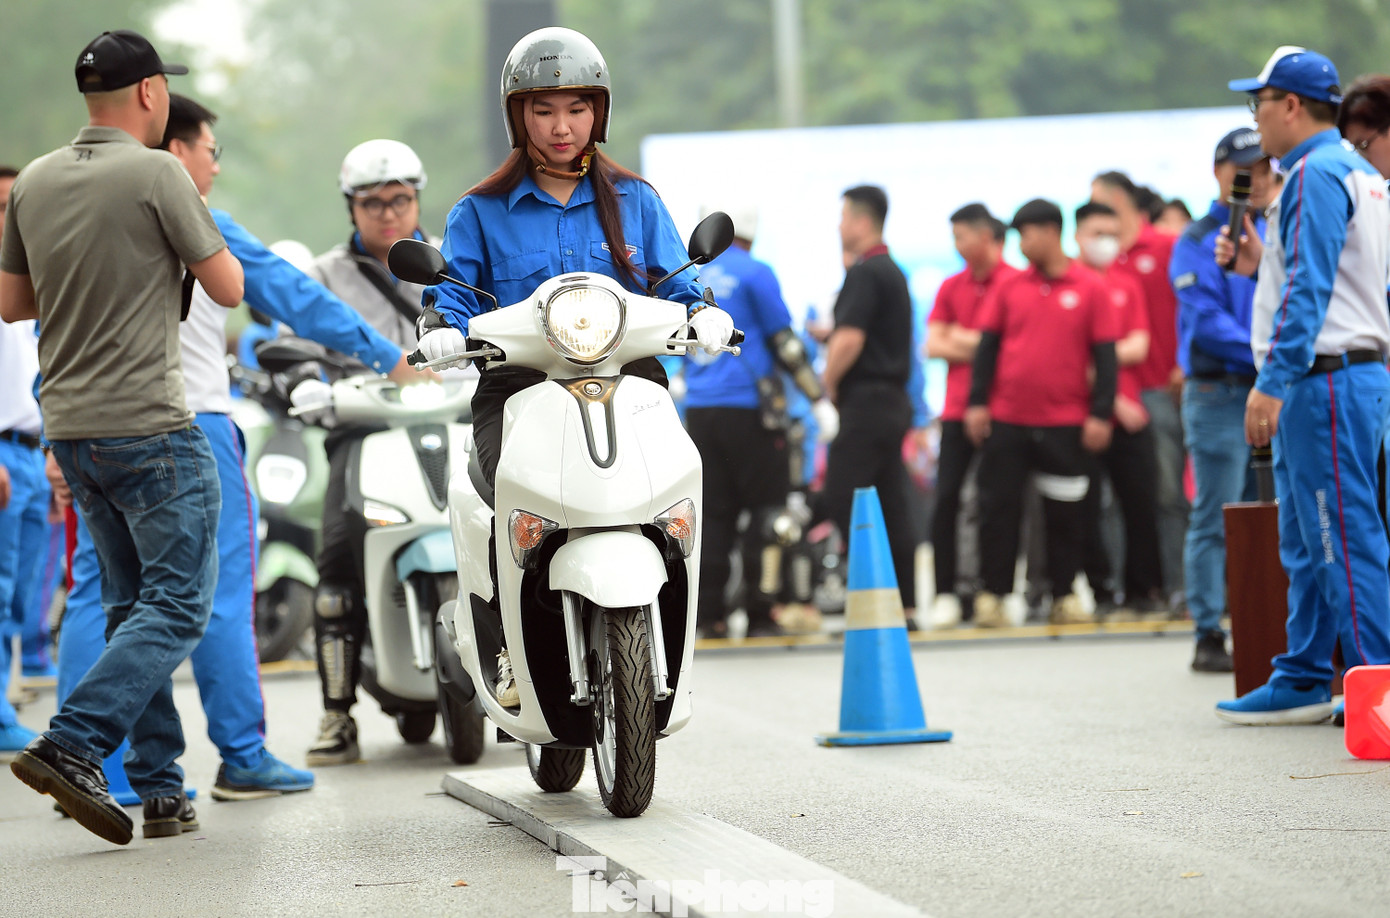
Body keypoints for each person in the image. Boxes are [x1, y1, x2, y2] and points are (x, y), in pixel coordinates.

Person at [413, 27, 733, 707]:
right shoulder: (480, 211)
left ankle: (666, 611)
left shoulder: (637, 201)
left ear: (599, 113)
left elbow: (677, 282)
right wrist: (439, 327)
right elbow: (447, 295)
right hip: (520, 387)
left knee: (673, 492)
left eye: (577, 108)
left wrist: (704, 311)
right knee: (510, 505)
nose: (562, 126)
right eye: (543, 109)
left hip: (630, 381)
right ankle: (504, 642)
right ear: (517, 116)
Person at [0, 30, 243, 845]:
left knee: (130, 606)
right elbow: (229, 286)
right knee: (177, 606)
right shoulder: (158, 173)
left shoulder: (31, 181)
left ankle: (162, 786)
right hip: (152, 426)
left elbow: (11, 303)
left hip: (70, 430)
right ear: (148, 95)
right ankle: (73, 743)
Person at [1215, 47, 1390, 724]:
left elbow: (1313, 292)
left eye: (1257, 102)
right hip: (1344, 375)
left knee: (1341, 538)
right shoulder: (1354, 170)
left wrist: (1274, 379)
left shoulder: (1316, 173)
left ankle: (1374, 685)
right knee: (1314, 536)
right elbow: (1337, 279)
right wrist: (1261, 264)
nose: (1254, 117)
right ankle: (1305, 673)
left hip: (1324, 380)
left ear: (1290, 105)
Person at [300, 137, 437, 766]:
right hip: (360, 434)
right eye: (372, 202)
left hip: (457, 424)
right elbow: (291, 345)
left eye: (399, 200)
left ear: (416, 200)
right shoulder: (322, 277)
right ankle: (336, 714)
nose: (387, 213)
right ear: (350, 207)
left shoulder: (455, 261)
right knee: (334, 564)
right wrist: (301, 379)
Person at [965, 199, 1118, 626]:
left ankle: (1064, 595)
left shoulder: (1090, 287)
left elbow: (1105, 359)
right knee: (998, 511)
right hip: (1008, 420)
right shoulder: (1008, 287)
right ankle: (993, 597)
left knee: (1066, 514)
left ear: (1051, 231)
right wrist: (977, 404)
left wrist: (1100, 415)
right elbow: (986, 350)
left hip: (1066, 423)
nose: (1020, 243)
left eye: (1026, 233)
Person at [682, 203, 831, 639]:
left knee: (712, 515)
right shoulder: (756, 273)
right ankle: (762, 610)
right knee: (767, 513)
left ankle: (709, 616)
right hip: (751, 413)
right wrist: (818, 399)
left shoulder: (691, 274)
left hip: (703, 414)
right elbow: (785, 344)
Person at [1170, 127, 1276, 673]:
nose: (1256, 180)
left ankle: (1267, 620)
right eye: (1246, 170)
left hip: (1270, 387)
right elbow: (1205, 323)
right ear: (1220, 173)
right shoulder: (1198, 237)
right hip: (1220, 391)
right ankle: (1208, 630)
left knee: (1273, 513)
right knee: (1215, 514)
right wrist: (1267, 355)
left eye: (1264, 169)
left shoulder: (1277, 228)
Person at [808, 185, 919, 623]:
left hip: (867, 402)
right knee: (892, 500)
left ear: (860, 221)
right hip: (891, 401)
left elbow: (851, 338)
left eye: (843, 217)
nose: (839, 227)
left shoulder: (866, 272)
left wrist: (828, 383)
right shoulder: (892, 270)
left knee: (843, 495)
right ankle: (904, 602)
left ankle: (869, 599)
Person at [1091, 170, 1187, 615]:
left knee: (1169, 494)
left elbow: (1194, 304)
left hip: (1163, 386)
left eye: (1098, 200)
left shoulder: (1166, 246)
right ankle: (1125, 588)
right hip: (1118, 393)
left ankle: (1179, 586)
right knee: (1119, 498)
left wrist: (1185, 363)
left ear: (1117, 199)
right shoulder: (1100, 267)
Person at [924, 204, 1018, 629]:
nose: (957, 246)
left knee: (999, 502)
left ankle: (994, 594)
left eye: (962, 237)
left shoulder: (1016, 285)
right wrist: (985, 343)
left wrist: (962, 339)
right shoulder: (950, 286)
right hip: (955, 410)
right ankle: (946, 592)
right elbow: (933, 344)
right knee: (946, 501)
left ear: (985, 236)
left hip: (1005, 410)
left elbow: (1017, 347)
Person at [1072, 201, 1164, 618]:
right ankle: (1102, 591)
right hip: (1085, 413)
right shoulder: (1070, 283)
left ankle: (1143, 590)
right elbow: (1069, 357)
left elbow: (1138, 345)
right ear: (1077, 236)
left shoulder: (1127, 283)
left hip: (1132, 414)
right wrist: (1110, 396)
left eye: (1112, 233)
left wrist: (1100, 357)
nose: (1106, 242)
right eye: (1097, 233)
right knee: (1087, 509)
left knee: (1141, 503)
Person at [0, 164, 48, 756]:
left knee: (23, 591)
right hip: (3, 453)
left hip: (38, 451)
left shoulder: (31, 280)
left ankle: (9, 696)